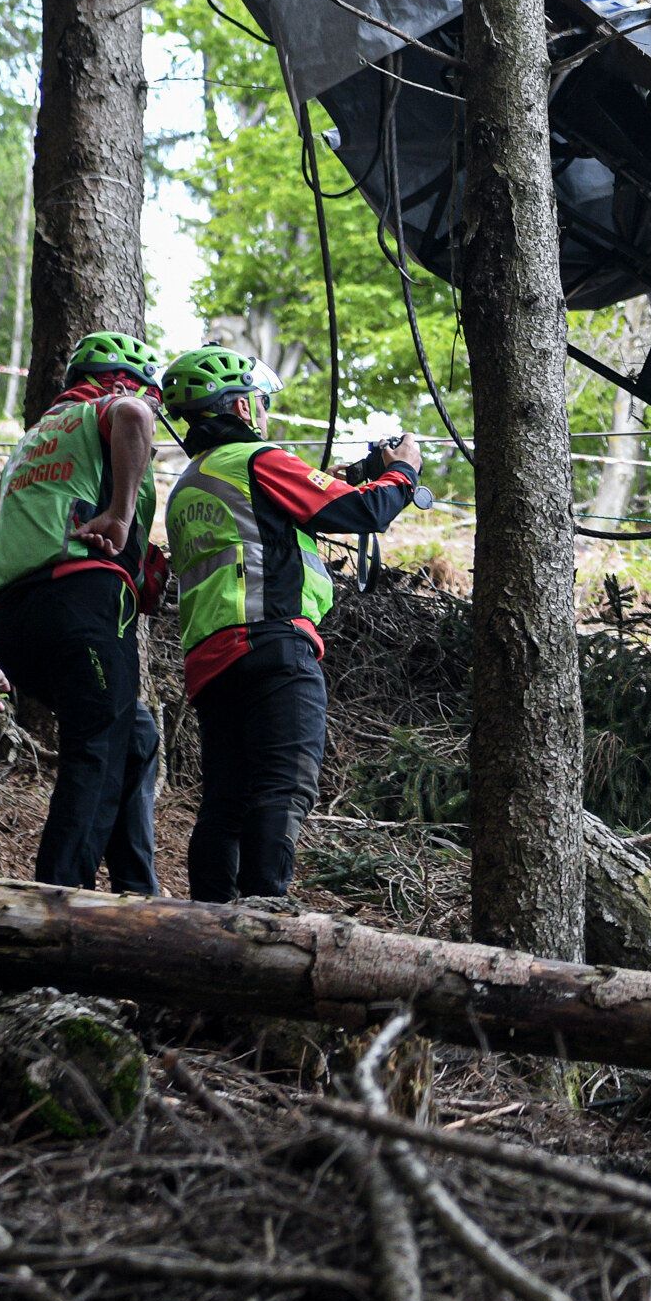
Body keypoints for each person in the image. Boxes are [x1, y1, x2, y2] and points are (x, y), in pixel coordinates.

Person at [158, 345, 421, 902]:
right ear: (241, 409)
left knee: (225, 801)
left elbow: (284, 510)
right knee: (284, 786)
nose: (264, 413)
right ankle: (266, 912)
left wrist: (358, 474)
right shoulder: (256, 458)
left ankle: (207, 922)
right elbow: (359, 512)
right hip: (273, 645)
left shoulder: (188, 485)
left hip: (211, 662)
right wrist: (402, 472)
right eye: (258, 402)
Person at [0, 331, 169, 893]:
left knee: (136, 732)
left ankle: (136, 890)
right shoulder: (112, 406)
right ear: (125, 382)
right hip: (83, 605)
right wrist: (122, 515)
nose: (154, 412)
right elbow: (129, 415)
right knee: (96, 747)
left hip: (16, 627)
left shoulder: (29, 452)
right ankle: (59, 900)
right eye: (153, 397)